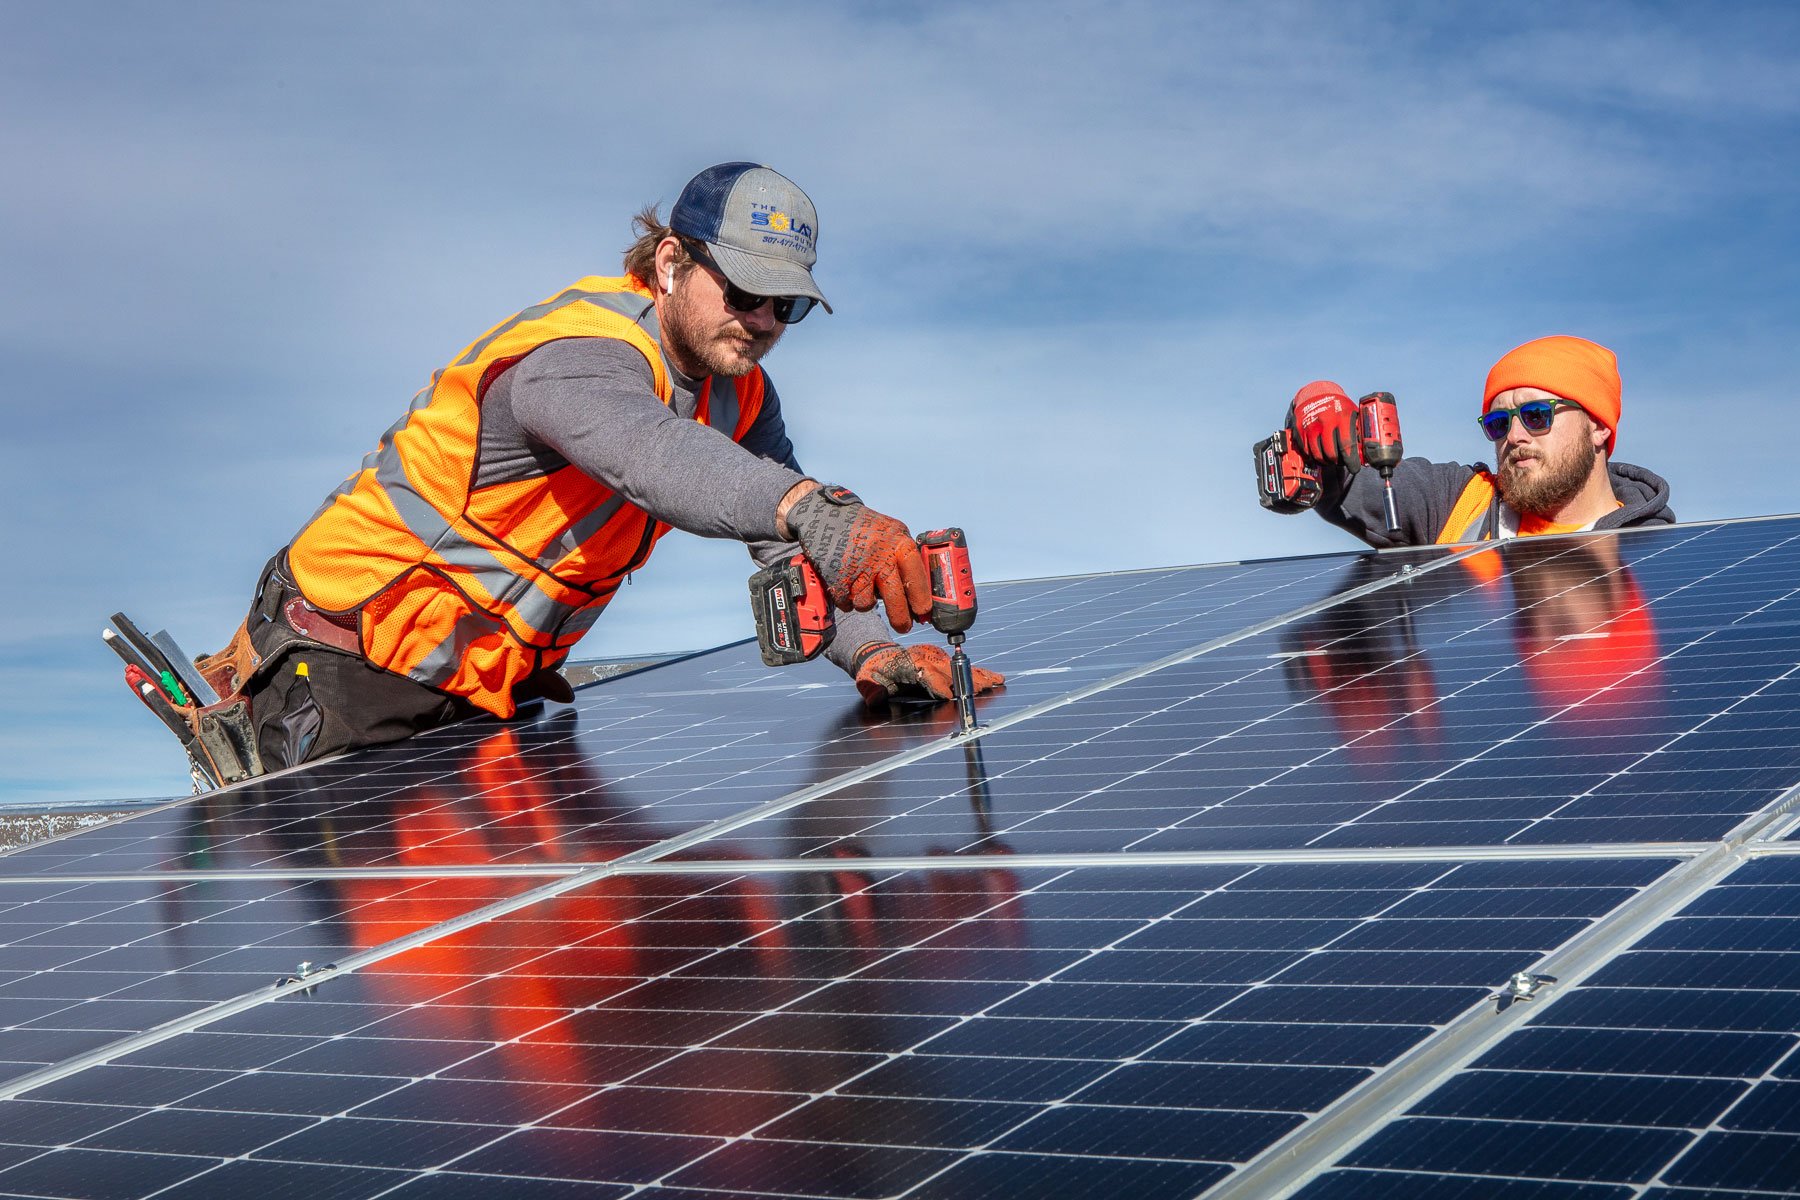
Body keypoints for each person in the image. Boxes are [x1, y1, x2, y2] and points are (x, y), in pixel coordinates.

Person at [225, 162, 1002, 771]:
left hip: (475, 688)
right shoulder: (579, 354)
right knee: (398, 957)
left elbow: (788, 545)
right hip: (342, 666)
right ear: (670, 263)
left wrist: (873, 651)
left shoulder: (740, 398)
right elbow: (654, 455)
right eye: (744, 290)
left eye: (786, 305)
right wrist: (814, 505)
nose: (762, 320)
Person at [1262, 335, 1674, 548]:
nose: (1514, 436)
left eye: (1536, 416)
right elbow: (1344, 482)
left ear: (1599, 425)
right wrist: (1313, 403)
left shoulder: (1658, 557)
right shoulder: (1460, 503)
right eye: (1497, 423)